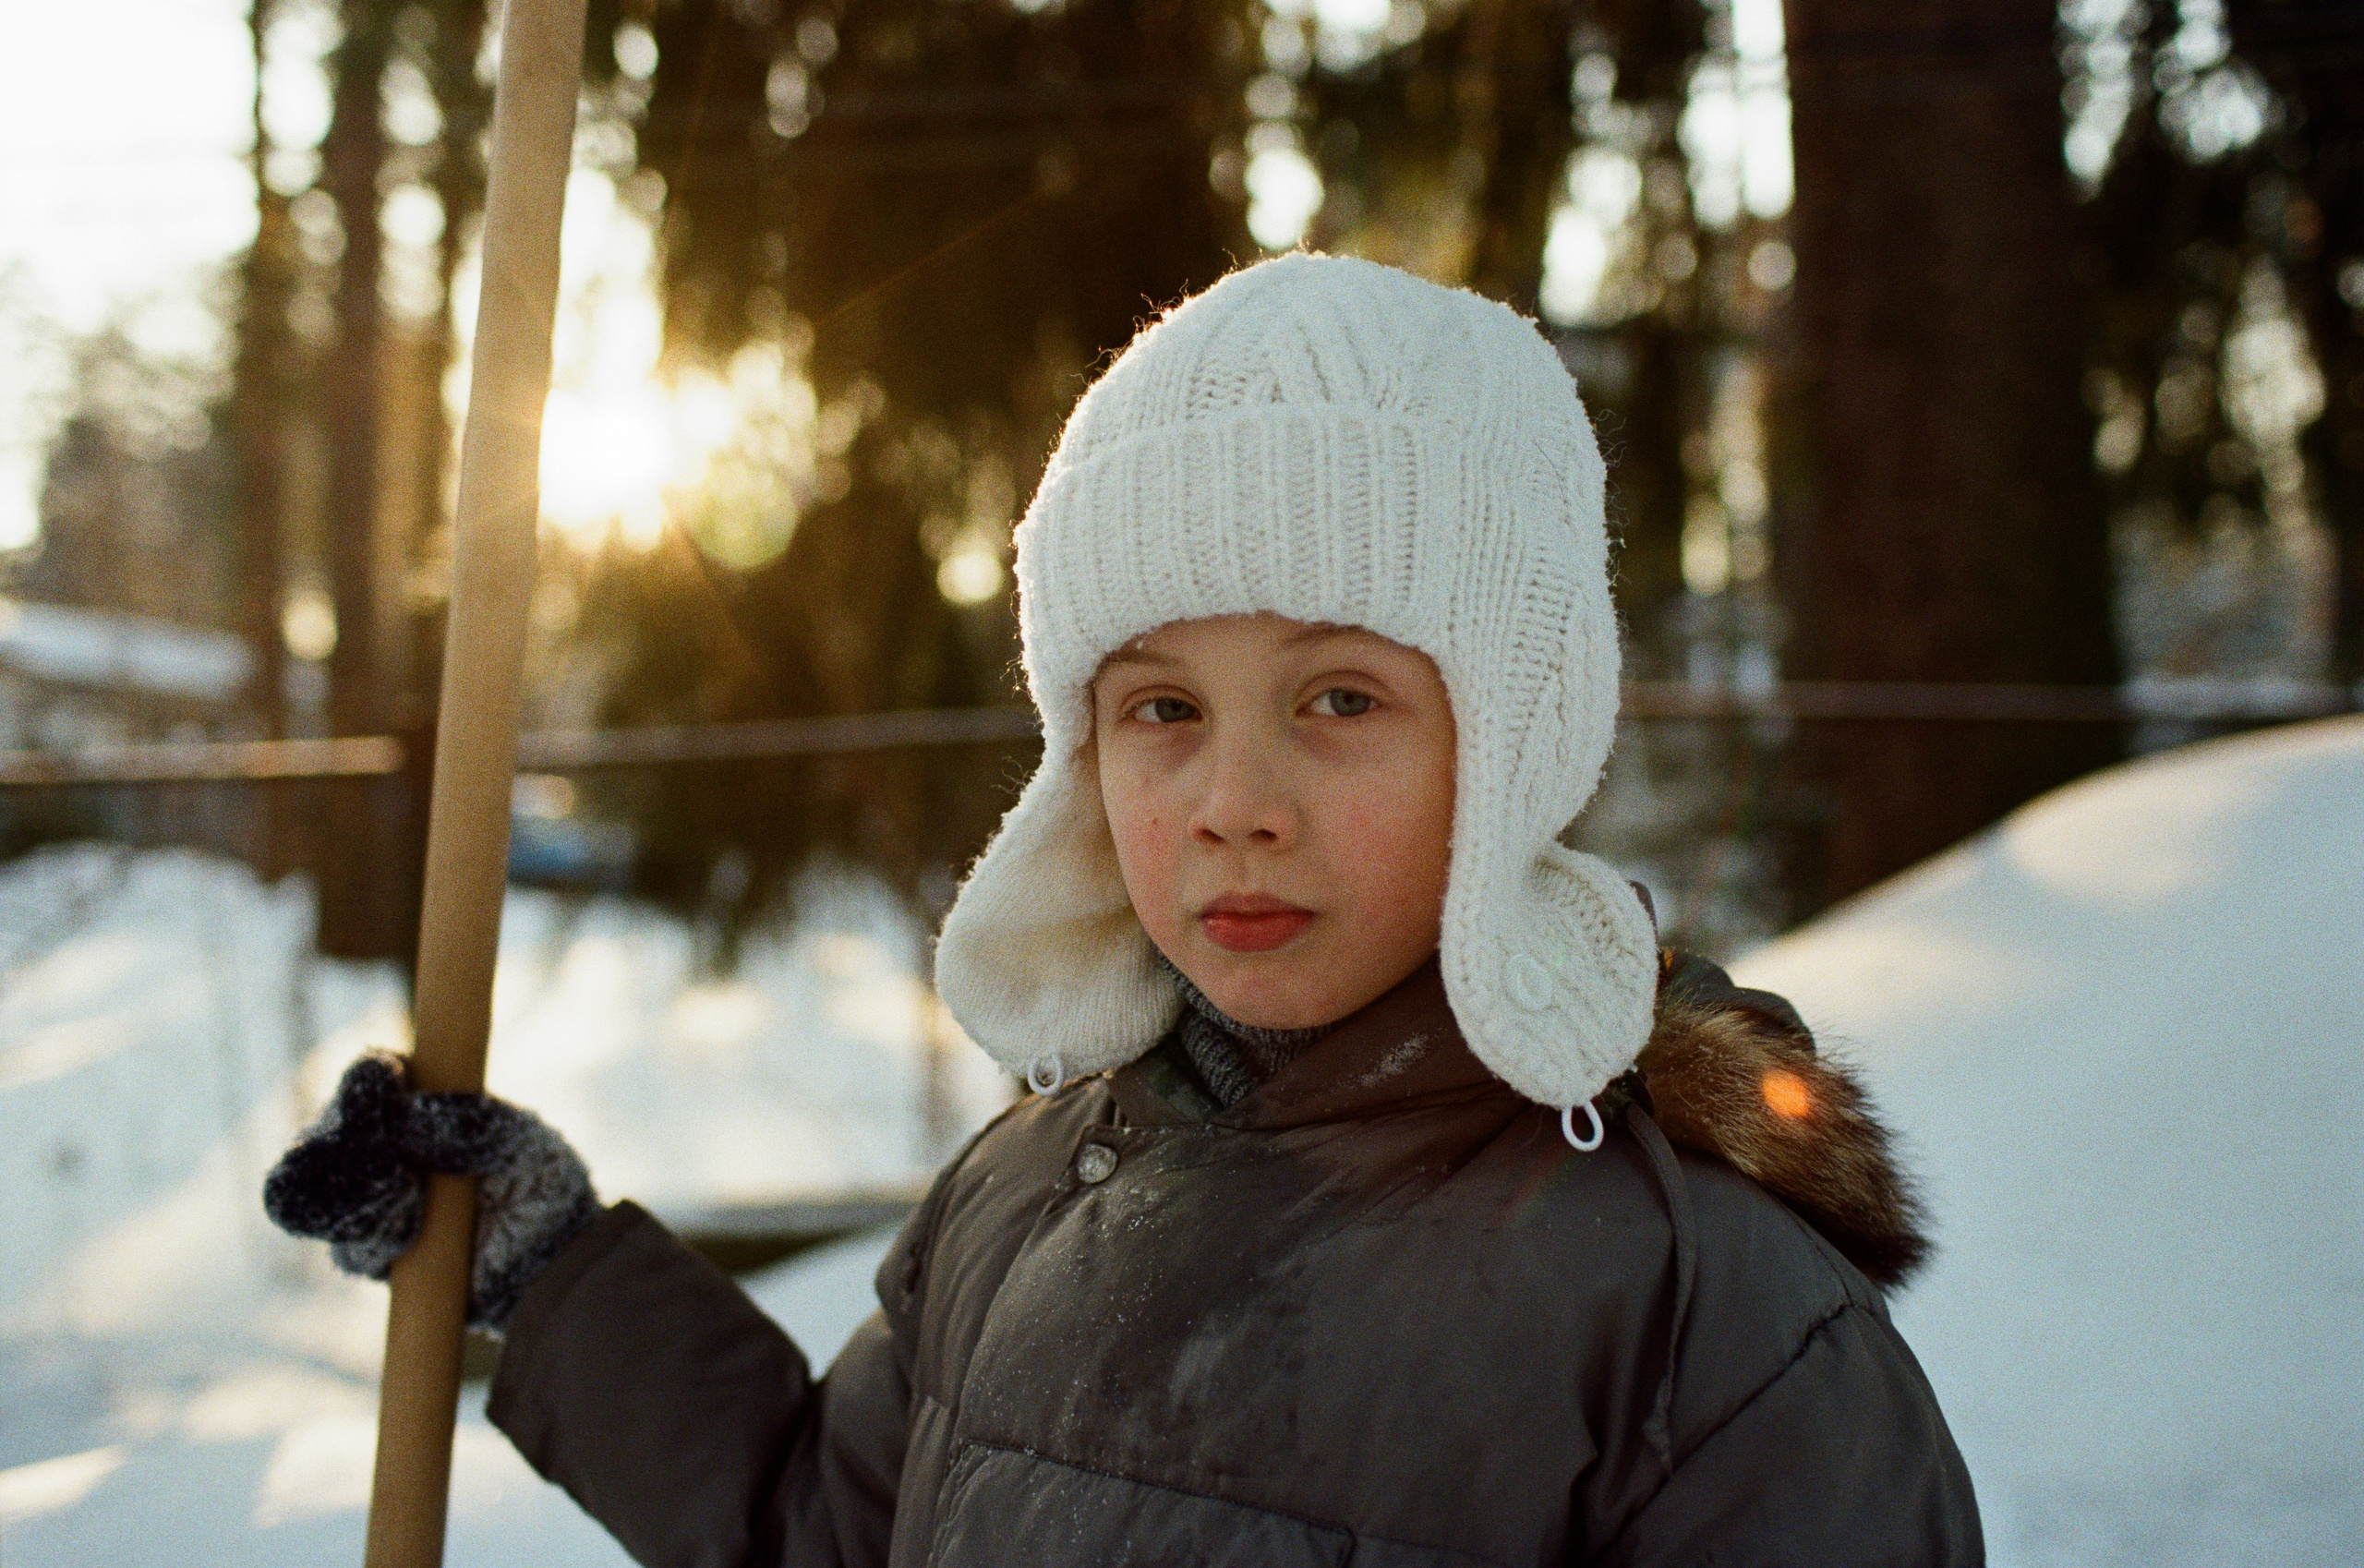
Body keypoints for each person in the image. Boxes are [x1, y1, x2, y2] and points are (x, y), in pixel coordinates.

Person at [267, 253, 1981, 1566]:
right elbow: (825, 1528)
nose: (1233, 798)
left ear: (1512, 742)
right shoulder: (1024, 1194)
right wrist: (552, 1272)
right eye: (1163, 708)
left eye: (1339, 700)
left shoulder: (1697, 1312)